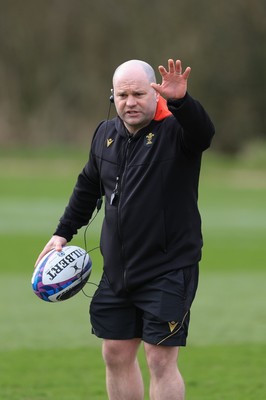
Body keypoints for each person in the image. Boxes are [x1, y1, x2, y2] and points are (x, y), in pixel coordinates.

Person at [35, 58, 215, 400]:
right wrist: (63, 232)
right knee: (115, 352)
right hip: (117, 270)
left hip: (168, 268)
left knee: (160, 359)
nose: (129, 102)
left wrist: (181, 102)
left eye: (138, 94)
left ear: (154, 93)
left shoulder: (177, 130)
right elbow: (88, 186)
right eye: (122, 95)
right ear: (112, 97)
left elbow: (204, 133)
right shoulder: (105, 134)